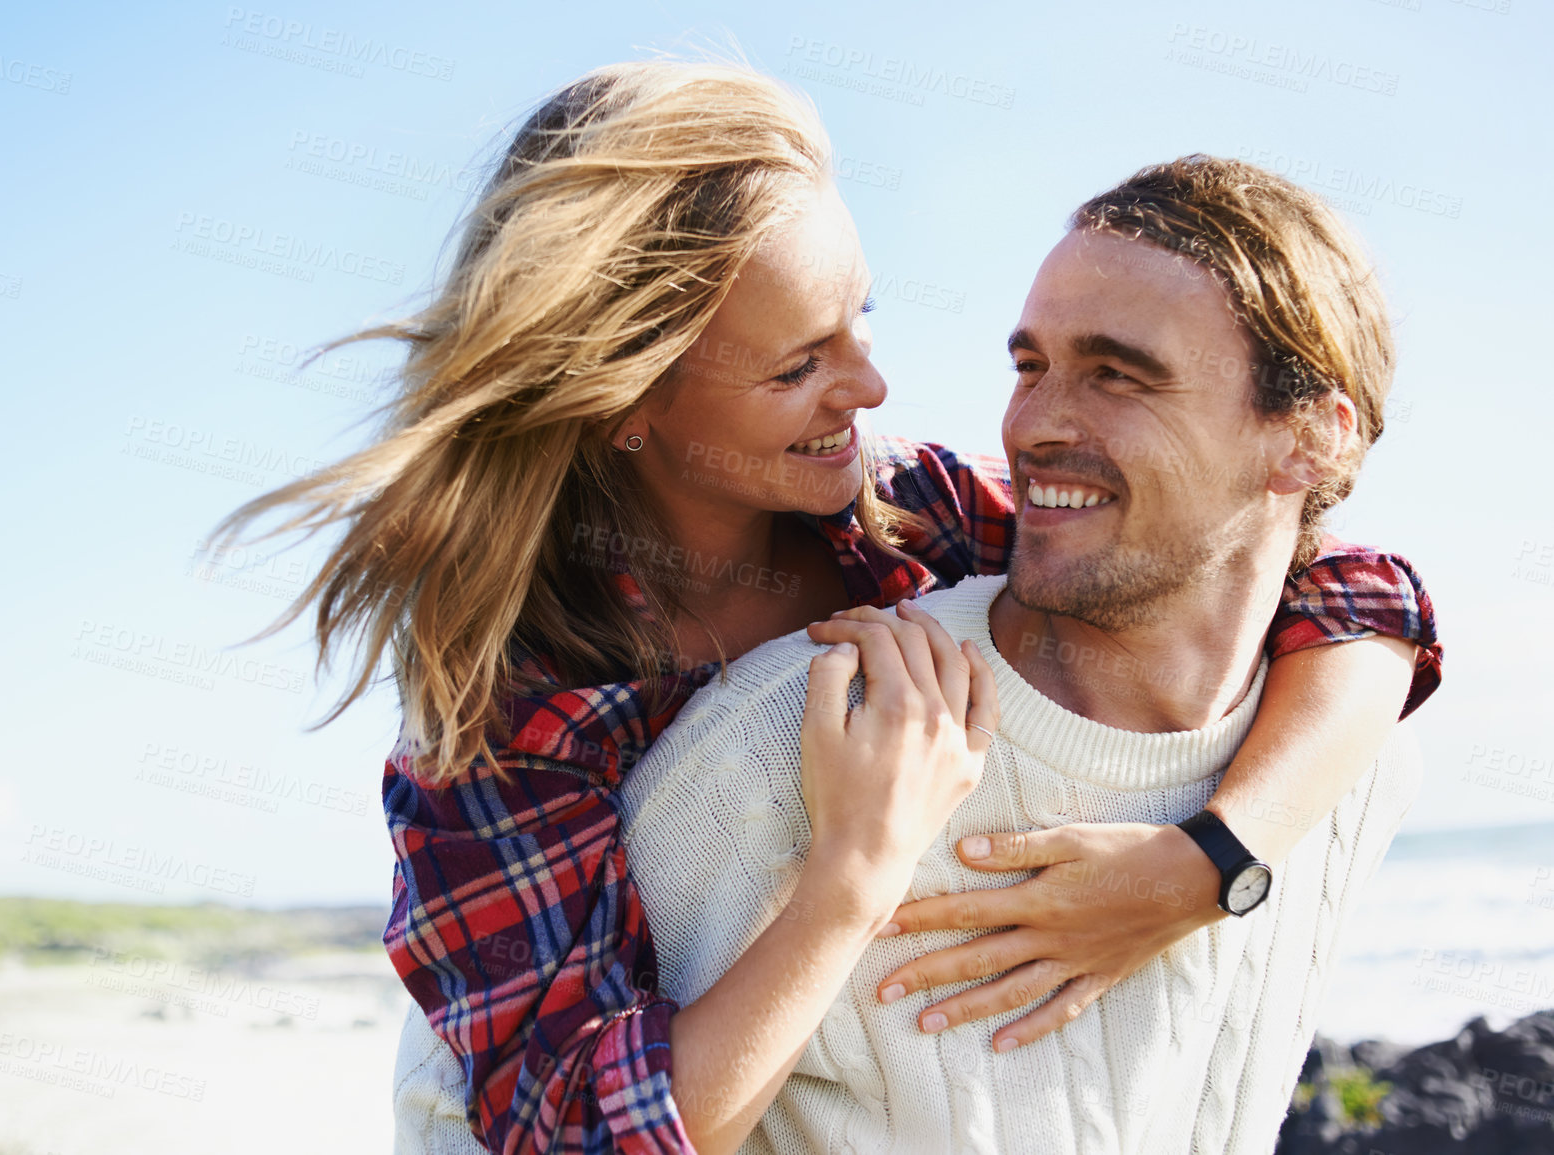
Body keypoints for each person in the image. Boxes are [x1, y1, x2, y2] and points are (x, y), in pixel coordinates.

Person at [212, 62, 1439, 1155]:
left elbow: (1342, 586)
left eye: (860, 317)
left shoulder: (905, 513)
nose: (870, 384)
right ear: (623, 402)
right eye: (797, 364)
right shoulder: (512, 710)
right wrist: (855, 868)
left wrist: (1202, 864)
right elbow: (582, 1133)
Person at [611, 154, 1425, 1153]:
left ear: (1309, 442)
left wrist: (1214, 862)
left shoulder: (1351, 765)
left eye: (1119, 374)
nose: (1035, 424)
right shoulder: (793, 742)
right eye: (1030, 366)